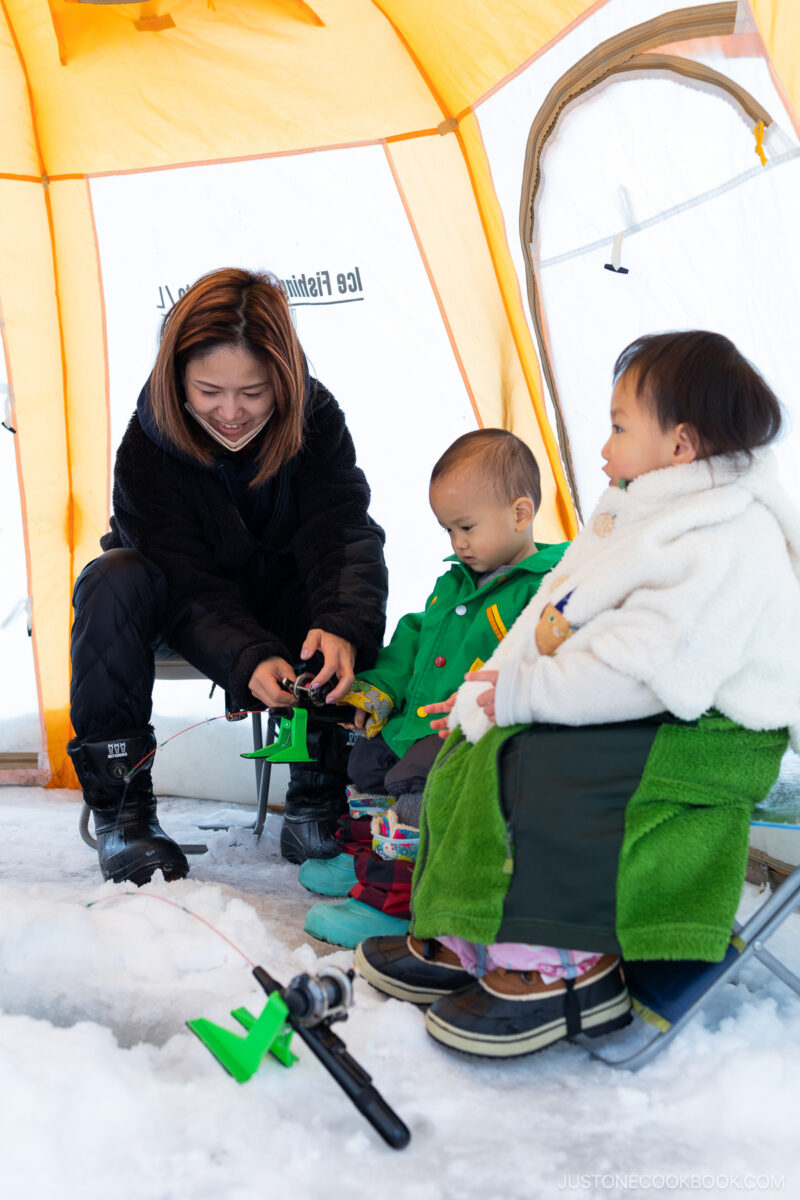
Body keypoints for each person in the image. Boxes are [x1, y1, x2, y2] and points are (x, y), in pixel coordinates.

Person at [355, 330, 800, 1058]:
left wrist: (531, 695)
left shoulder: (724, 534)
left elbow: (651, 667)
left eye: (621, 426)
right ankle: (473, 941)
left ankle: (567, 970)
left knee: (543, 766)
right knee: (476, 746)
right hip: (652, 704)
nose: (604, 447)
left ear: (681, 444)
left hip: (718, 732)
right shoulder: (637, 509)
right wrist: (495, 687)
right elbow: (557, 616)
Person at [68, 267, 388, 885]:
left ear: (284, 382)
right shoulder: (146, 446)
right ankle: (123, 816)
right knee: (111, 577)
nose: (232, 413)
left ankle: (319, 797)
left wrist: (341, 623)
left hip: (279, 606)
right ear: (176, 378)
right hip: (177, 607)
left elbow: (340, 529)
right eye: (210, 390)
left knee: (347, 574)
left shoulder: (317, 421)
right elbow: (182, 579)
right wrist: (245, 656)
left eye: (255, 392)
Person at [298, 429, 569, 947]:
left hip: (468, 734)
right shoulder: (454, 583)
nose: (457, 543)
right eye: (448, 530)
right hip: (414, 726)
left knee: (415, 796)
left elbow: (539, 663)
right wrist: (377, 690)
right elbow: (413, 639)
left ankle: (394, 904)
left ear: (520, 513)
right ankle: (366, 863)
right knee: (365, 766)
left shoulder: (545, 587)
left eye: (466, 527)